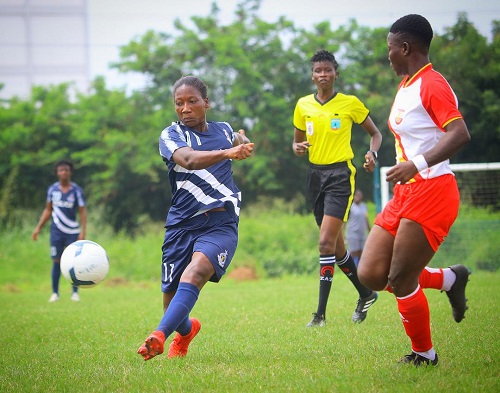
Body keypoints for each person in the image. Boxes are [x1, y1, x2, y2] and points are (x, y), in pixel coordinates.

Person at [357, 14, 472, 367]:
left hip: (433, 190)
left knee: (400, 277)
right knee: (372, 273)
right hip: (406, 192)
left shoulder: (432, 84)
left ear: (405, 48)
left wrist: (417, 164)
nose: (388, 55)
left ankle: (425, 353)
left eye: (390, 48)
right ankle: (449, 278)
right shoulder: (407, 83)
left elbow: (459, 134)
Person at [137, 76, 254, 361]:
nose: (185, 108)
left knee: (195, 273)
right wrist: (229, 152)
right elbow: (188, 160)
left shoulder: (223, 130)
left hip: (220, 223)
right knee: (173, 306)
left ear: (206, 103)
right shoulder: (170, 136)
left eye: (192, 102)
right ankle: (186, 331)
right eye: (179, 103)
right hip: (181, 225)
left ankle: (159, 336)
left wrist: (243, 141)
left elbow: (238, 138)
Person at [292, 50, 383, 327]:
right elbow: (297, 143)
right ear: (312, 75)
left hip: (340, 176)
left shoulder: (349, 104)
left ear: (336, 73)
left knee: (323, 243)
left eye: (327, 70)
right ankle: (366, 293)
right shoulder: (302, 105)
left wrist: (372, 154)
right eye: (318, 70)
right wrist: (296, 148)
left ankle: (319, 316)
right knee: (336, 247)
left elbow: (375, 134)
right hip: (314, 176)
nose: (323, 75)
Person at [32, 159, 87, 302]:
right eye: (61, 170)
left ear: (70, 172)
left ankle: (75, 292)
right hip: (56, 231)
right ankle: (55, 293)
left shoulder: (76, 190)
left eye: (66, 170)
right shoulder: (52, 190)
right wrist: (38, 228)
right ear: (57, 173)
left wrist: (83, 231)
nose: (63, 172)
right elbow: (48, 210)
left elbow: (82, 212)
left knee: (74, 262)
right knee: (56, 261)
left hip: (72, 231)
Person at [346, 189, 370, 266]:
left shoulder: (363, 206)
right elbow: (344, 221)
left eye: (359, 195)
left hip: (362, 233)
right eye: (356, 195)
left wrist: (370, 231)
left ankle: (360, 268)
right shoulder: (351, 207)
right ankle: (353, 268)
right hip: (353, 233)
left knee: (361, 251)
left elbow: (366, 219)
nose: (358, 197)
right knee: (353, 251)